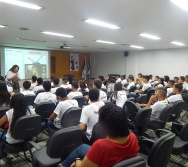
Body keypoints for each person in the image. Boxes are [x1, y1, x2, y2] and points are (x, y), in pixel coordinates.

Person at [59, 103, 139, 167]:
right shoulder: (133, 137)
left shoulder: (101, 146)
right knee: (83, 147)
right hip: (116, 160)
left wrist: (77, 160)